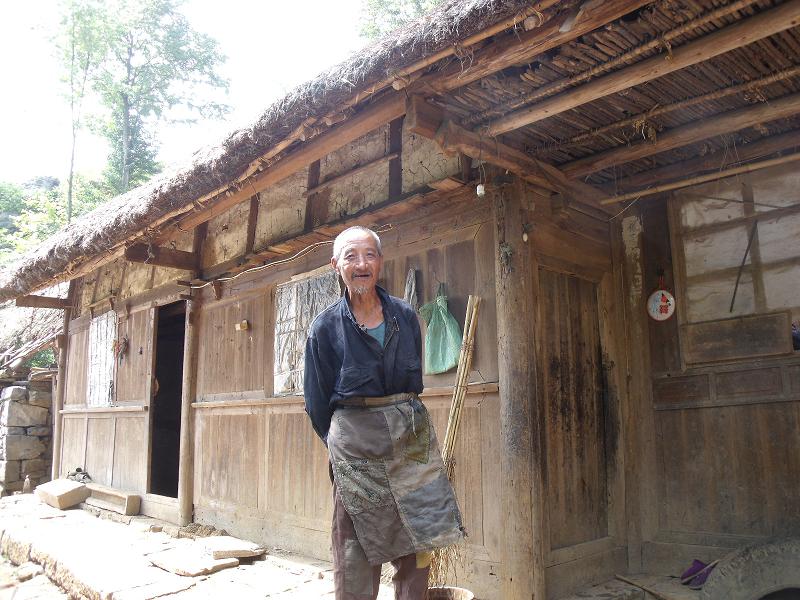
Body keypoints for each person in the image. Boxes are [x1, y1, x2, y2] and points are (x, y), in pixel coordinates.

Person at [304, 226, 464, 600]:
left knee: (419, 536)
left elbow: (412, 383)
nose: (361, 264)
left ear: (380, 262)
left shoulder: (405, 316)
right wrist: (343, 445)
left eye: (369, 255)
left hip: (410, 441)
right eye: (351, 256)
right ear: (336, 265)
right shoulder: (324, 328)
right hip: (356, 446)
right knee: (355, 543)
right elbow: (317, 403)